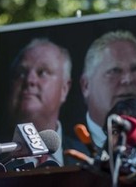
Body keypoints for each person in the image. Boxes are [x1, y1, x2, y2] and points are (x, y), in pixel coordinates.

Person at [7, 38, 88, 168]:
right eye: (21, 72)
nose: (29, 80)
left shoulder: (88, 158)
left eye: (42, 72)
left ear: (64, 89)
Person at [80, 30, 136, 148]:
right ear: (86, 85)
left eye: (135, 69)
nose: (128, 79)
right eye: (115, 71)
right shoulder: (64, 149)